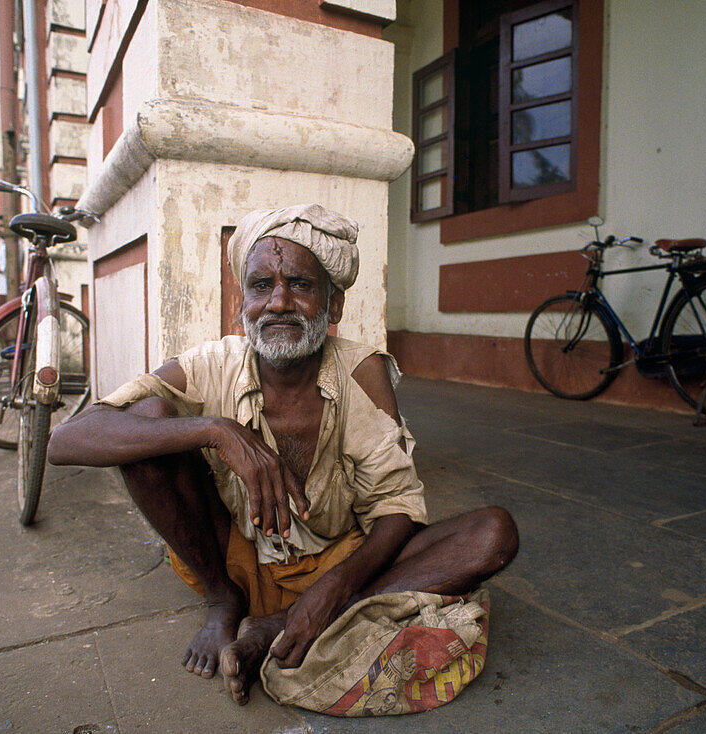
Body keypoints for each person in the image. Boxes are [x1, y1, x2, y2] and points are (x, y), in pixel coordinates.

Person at [48, 204, 519, 706]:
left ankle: (297, 621)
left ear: (333, 307)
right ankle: (223, 600)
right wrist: (217, 430)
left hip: (342, 558)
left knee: (494, 533)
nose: (279, 303)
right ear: (241, 304)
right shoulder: (213, 365)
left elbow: (396, 507)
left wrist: (335, 588)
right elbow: (66, 440)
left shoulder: (361, 373)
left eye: (301, 284)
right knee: (148, 417)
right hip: (233, 557)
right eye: (261, 286)